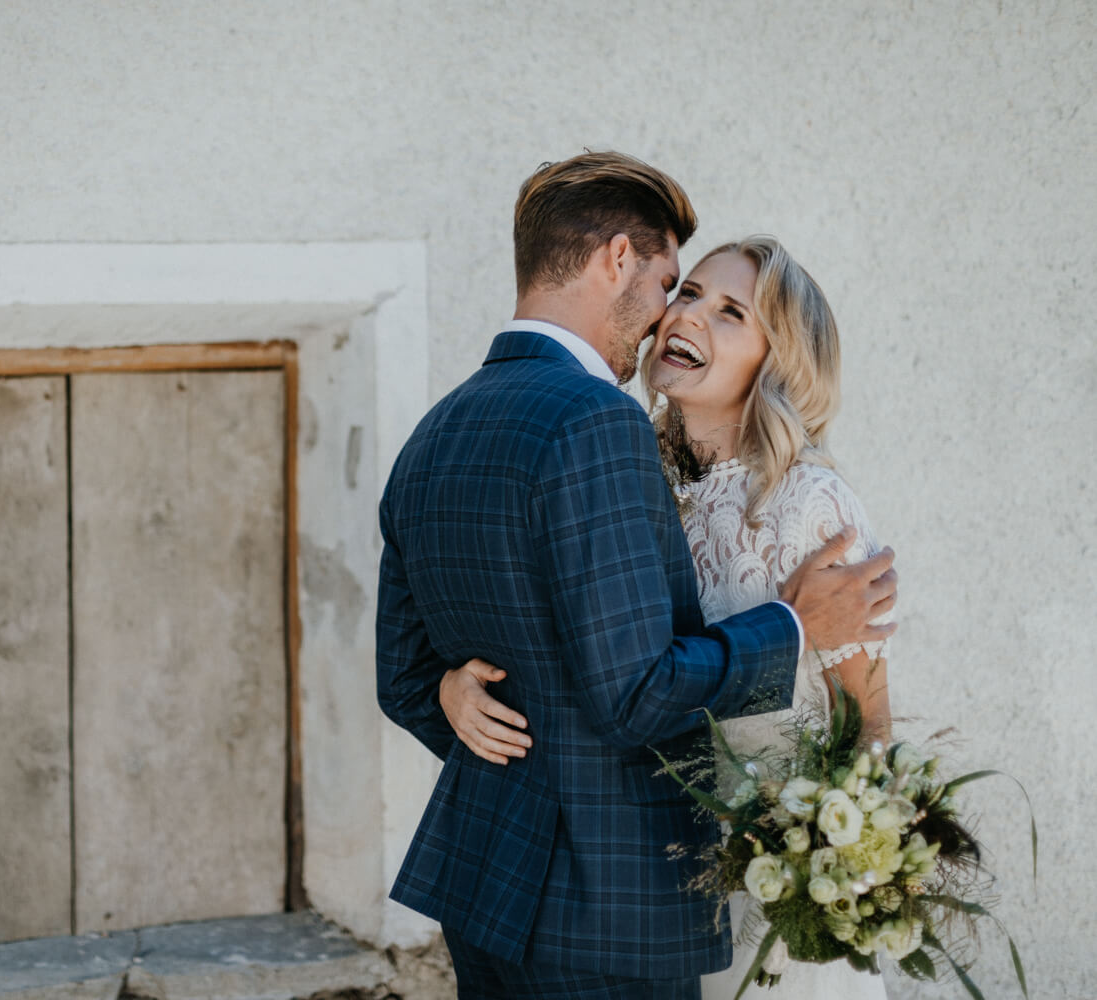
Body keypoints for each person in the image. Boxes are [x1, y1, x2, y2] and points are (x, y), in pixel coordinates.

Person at [376, 150, 897, 1000]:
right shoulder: (606, 431)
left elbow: (404, 680)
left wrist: (450, 695)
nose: (670, 316)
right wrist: (795, 628)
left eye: (728, 309)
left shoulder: (431, 436)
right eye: (676, 286)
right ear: (618, 261)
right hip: (618, 898)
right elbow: (629, 692)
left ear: (776, 354)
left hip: (546, 888)